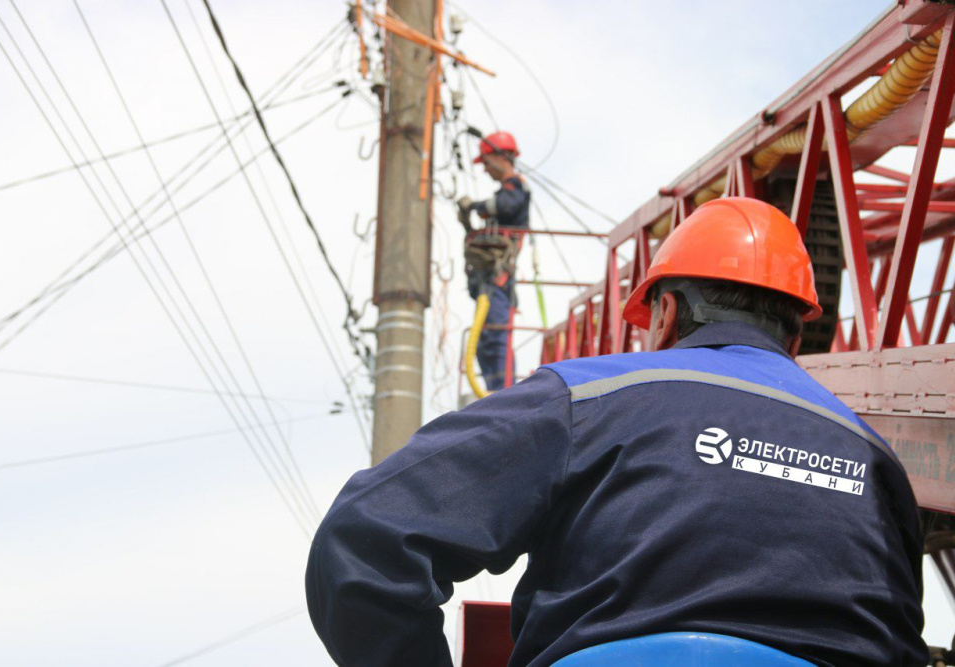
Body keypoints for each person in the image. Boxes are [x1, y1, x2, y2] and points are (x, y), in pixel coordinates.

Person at [305, 197, 928, 666]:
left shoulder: (583, 398)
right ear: (796, 336)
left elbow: (365, 537)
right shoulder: (880, 463)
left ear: (666, 314)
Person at [457, 130, 530, 391]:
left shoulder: (516, 188)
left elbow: (502, 206)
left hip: (500, 278)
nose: (485, 170)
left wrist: (474, 206)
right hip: (490, 280)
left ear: (500, 157)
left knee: (496, 337)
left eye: (486, 163)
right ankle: (494, 393)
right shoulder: (507, 191)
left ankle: (504, 394)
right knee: (485, 341)